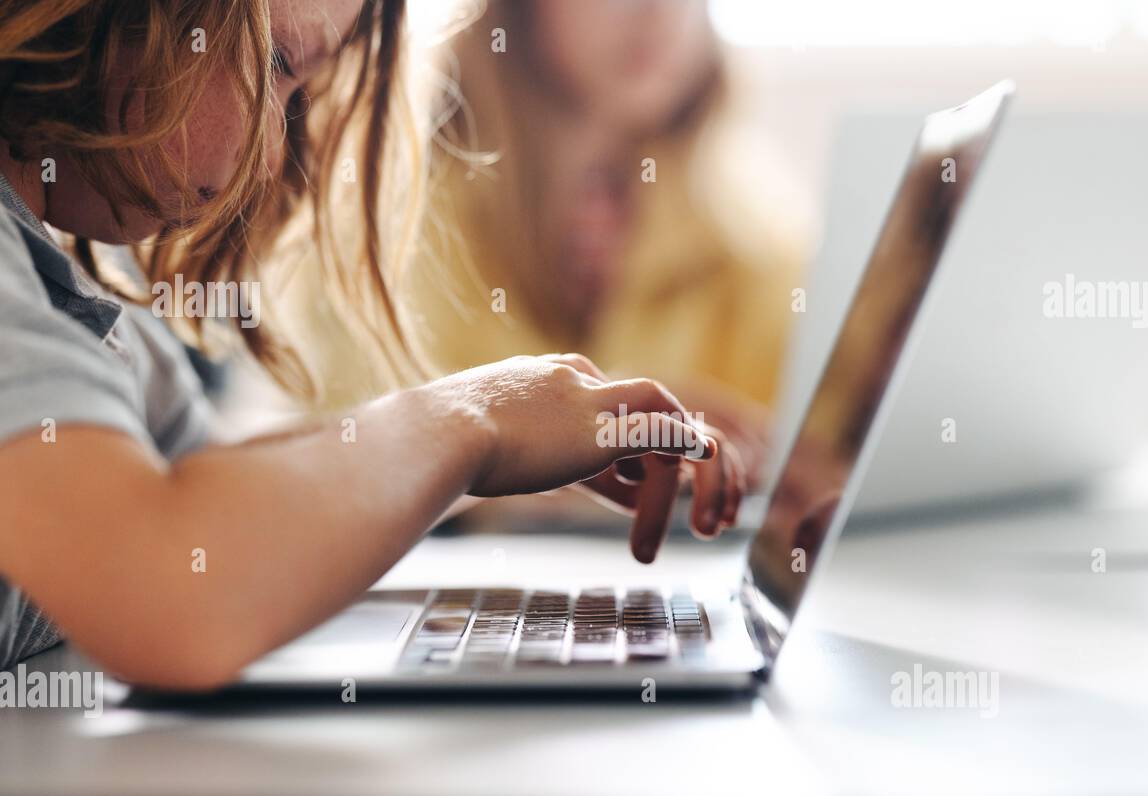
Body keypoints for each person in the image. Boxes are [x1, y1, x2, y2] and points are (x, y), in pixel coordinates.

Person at [0, 0, 742, 689]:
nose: (266, 163)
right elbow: (169, 595)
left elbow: (213, 492)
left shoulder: (70, 303)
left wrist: (513, 432)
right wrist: (473, 423)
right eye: (281, 65)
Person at [274, 0, 806, 478]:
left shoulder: (762, 240)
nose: (660, 13)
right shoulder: (380, 227)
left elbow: (818, 446)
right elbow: (351, 463)